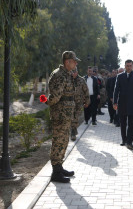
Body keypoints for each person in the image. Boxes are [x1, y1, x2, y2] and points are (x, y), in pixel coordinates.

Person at [45, 51, 79, 183]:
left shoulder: (67, 74)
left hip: (65, 114)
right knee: (58, 141)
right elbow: (55, 97)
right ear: (67, 62)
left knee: (63, 141)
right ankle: (55, 172)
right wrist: (46, 101)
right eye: (74, 61)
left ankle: (59, 167)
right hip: (60, 115)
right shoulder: (59, 75)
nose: (76, 63)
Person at [113, 60, 133, 150]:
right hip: (122, 104)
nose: (129, 67)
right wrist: (114, 102)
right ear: (125, 66)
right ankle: (124, 140)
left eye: (130, 65)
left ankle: (130, 142)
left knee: (132, 124)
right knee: (123, 123)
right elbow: (116, 90)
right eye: (127, 65)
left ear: (132, 66)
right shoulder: (120, 76)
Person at [71, 67, 90, 141]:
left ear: (77, 72)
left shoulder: (82, 80)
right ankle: (73, 131)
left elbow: (86, 91)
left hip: (79, 102)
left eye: (74, 72)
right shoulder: (68, 80)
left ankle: (74, 129)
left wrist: (87, 102)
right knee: (72, 116)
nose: (73, 73)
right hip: (69, 102)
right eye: (72, 72)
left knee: (76, 116)